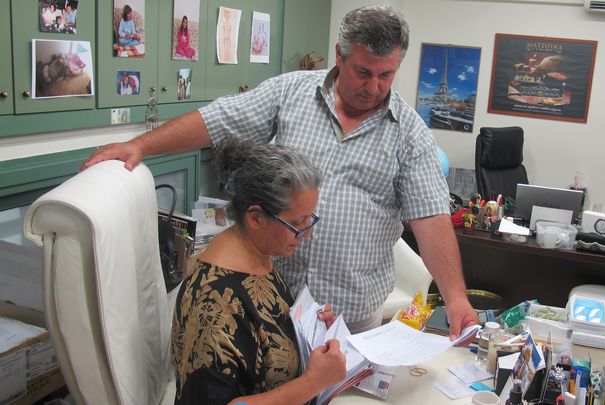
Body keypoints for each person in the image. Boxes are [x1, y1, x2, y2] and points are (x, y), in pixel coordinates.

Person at [83, 5, 478, 339]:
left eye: (386, 75)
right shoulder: (290, 92)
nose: (374, 87)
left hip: (351, 316)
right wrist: (141, 146)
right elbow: (218, 121)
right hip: (274, 298)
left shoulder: (410, 134)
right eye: (363, 72)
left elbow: (432, 221)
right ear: (339, 57)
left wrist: (457, 299)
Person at [172, 138, 346, 404]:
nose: (307, 234)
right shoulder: (215, 303)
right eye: (298, 223)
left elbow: (265, 337)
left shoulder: (258, 259)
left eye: (310, 219)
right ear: (255, 217)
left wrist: (312, 332)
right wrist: (312, 382)